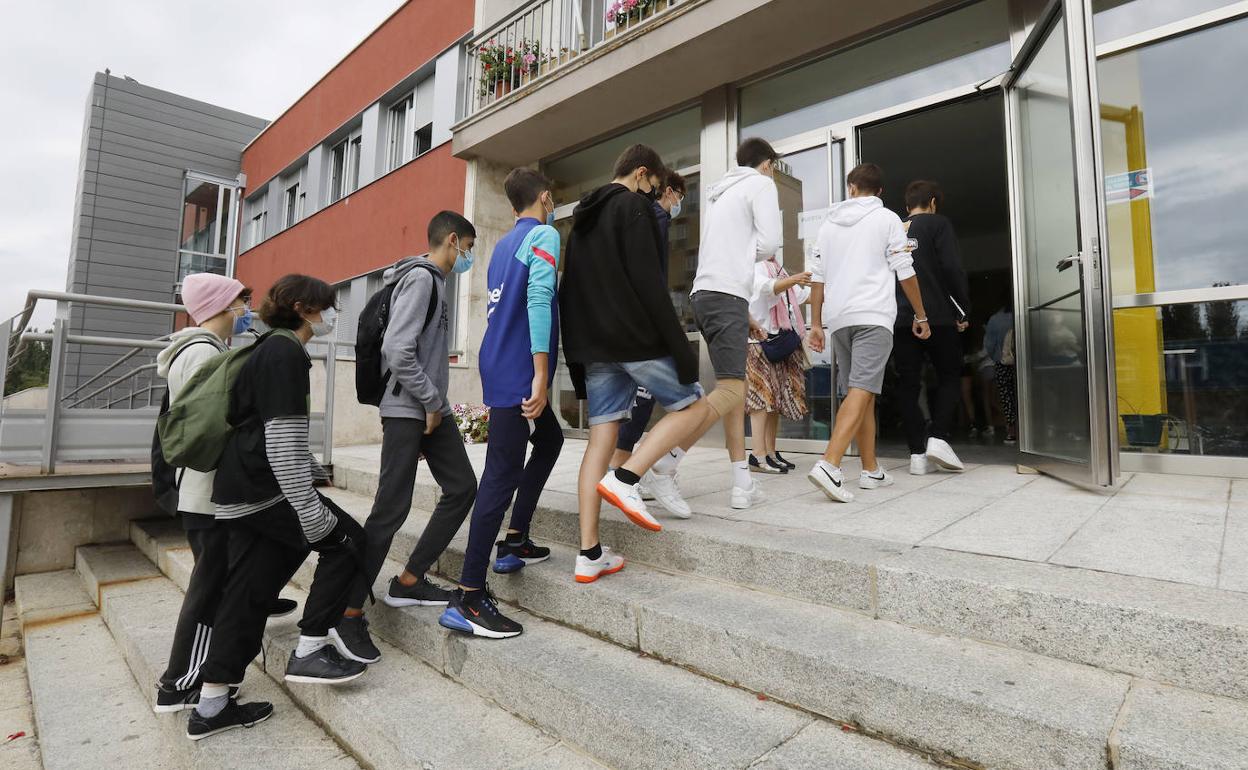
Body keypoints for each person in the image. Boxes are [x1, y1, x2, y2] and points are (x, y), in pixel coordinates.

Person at [191, 274, 369, 740]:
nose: (332, 314)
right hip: (265, 492)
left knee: (249, 592)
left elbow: (267, 425)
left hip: (240, 490)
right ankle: (311, 648)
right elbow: (281, 440)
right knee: (349, 542)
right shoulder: (286, 352)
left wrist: (310, 469)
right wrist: (313, 514)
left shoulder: (268, 349)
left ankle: (210, 707)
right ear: (301, 307)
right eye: (327, 305)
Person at [332, 212, 480, 663]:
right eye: (467, 248)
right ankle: (348, 611)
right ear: (452, 241)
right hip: (412, 409)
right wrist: (431, 402)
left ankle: (410, 580)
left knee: (462, 487)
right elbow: (397, 349)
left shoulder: (432, 282)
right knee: (389, 510)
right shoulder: (422, 279)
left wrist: (432, 404)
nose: (467, 258)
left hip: (425, 407)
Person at [559, 144, 711, 583]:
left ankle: (589, 553)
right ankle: (628, 479)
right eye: (655, 186)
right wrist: (680, 348)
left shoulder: (580, 223)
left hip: (594, 348)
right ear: (642, 173)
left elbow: (570, 293)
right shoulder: (634, 209)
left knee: (600, 440)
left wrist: (577, 362)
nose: (655, 194)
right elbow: (650, 286)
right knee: (696, 404)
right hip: (633, 339)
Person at [153, 274, 297, 713]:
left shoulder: (203, 350)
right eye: (242, 301)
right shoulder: (200, 353)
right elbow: (213, 423)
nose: (247, 308)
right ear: (220, 305)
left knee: (217, 582)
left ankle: (195, 678)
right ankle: (179, 682)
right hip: (206, 493)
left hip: (205, 492)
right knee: (210, 589)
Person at [439, 170, 563, 640]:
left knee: (549, 440)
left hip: (499, 362)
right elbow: (537, 301)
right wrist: (541, 372)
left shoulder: (502, 246)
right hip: (518, 369)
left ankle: (515, 540)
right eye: (551, 200)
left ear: (512, 206)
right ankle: (470, 596)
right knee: (499, 476)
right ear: (545, 198)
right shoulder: (546, 233)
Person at [657, 137, 784, 510]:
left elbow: (720, 256)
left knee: (735, 390)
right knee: (729, 391)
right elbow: (771, 243)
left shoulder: (720, 194)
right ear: (767, 164)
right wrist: (752, 252)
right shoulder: (760, 184)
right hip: (726, 297)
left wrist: (746, 316)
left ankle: (742, 482)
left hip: (708, 297)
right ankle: (665, 461)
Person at [806, 163, 931, 502]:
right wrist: (921, 314)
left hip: (840, 319)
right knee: (862, 390)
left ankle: (870, 469)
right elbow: (904, 270)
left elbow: (817, 278)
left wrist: (816, 323)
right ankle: (830, 465)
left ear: (850, 188)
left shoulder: (828, 225)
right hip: (873, 315)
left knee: (862, 394)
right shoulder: (887, 218)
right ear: (879, 192)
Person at [610, 169, 687, 492]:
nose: (679, 203)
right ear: (668, 191)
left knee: (634, 404)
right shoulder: (656, 217)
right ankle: (622, 475)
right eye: (680, 197)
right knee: (642, 403)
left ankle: (620, 472)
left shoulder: (647, 218)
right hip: (642, 324)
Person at [894, 180, 970, 475]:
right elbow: (952, 268)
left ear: (907, 205)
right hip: (937, 316)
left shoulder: (896, 228)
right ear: (934, 202)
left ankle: (916, 455)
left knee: (908, 384)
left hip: (901, 318)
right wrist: (962, 310)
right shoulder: (939, 224)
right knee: (950, 375)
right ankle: (937, 436)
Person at [746, 256, 812, 474]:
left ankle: (770, 452)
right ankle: (757, 455)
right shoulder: (754, 267)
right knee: (760, 400)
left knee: (774, 402)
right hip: (758, 341)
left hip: (778, 341)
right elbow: (768, 288)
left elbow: (801, 295)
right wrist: (795, 278)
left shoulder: (779, 270)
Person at [984, 301, 1017, 443]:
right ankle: (1030, 430)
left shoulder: (995, 319)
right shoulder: (1023, 315)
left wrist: (997, 357)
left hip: (1003, 363)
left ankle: (1011, 432)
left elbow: (989, 345)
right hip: (1024, 364)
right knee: (1025, 396)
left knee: (1007, 397)